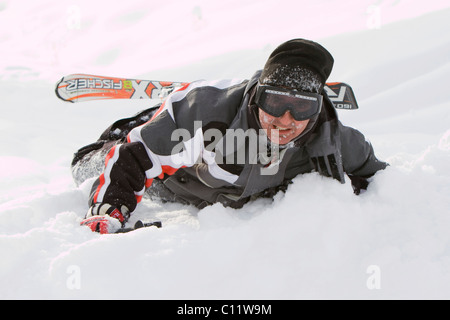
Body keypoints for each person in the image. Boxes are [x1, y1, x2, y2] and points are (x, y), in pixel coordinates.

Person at [72, 38, 388, 234]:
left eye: (302, 108)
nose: (286, 120)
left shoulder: (335, 141)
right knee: (83, 168)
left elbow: (380, 178)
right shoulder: (204, 114)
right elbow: (135, 156)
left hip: (220, 190)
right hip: (170, 183)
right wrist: (109, 212)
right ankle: (145, 120)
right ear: (258, 97)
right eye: (276, 102)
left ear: (318, 109)